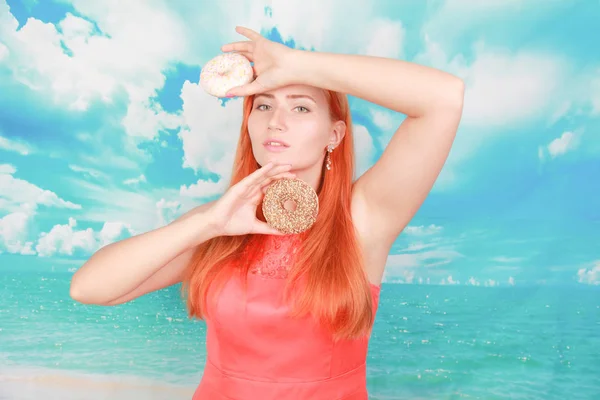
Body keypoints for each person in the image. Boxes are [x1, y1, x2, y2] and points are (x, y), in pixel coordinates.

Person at [70, 26, 464, 400]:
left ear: (335, 135)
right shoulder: (219, 221)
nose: (277, 121)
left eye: (301, 107)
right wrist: (206, 225)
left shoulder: (363, 219)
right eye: (263, 104)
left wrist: (298, 63)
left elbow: (443, 97)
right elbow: (89, 289)